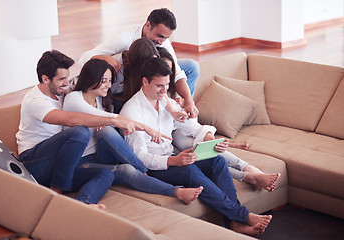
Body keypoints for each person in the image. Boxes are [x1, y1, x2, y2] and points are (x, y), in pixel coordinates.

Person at [120, 57, 272, 236]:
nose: (164, 90)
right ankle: (242, 216)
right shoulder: (132, 112)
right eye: (159, 86)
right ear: (145, 81)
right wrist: (174, 161)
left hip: (173, 157)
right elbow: (141, 157)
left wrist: (212, 140)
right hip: (155, 168)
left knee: (217, 162)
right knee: (190, 171)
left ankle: (234, 222)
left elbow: (193, 127)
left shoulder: (166, 102)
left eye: (167, 85)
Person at [16, 50, 172, 209]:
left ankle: (85, 204)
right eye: (61, 79)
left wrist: (170, 105)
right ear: (45, 79)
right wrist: (123, 122)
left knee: (106, 173)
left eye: (67, 78)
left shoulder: (62, 90)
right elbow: (71, 120)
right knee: (80, 132)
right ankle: (57, 191)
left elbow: (92, 71)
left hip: (61, 161)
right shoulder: (36, 101)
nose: (66, 83)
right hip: (36, 160)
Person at [62, 58, 203, 204]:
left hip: (101, 155)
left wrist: (171, 108)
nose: (108, 85)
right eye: (104, 81)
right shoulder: (74, 98)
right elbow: (109, 117)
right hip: (82, 160)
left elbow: (111, 120)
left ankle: (142, 170)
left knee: (107, 132)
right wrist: (145, 127)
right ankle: (165, 185)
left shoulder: (103, 101)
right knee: (124, 169)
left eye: (110, 81)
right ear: (90, 78)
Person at [157, 46, 280, 191]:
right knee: (190, 151)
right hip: (165, 137)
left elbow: (193, 126)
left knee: (193, 145)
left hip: (180, 128)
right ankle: (248, 175)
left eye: (171, 71)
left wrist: (212, 140)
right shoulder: (152, 94)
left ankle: (247, 167)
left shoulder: (174, 87)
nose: (169, 74)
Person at [79, 8, 199, 118]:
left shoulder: (162, 43)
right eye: (160, 36)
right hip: (126, 85)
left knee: (191, 66)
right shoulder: (124, 38)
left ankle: (185, 108)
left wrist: (188, 100)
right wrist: (103, 57)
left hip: (150, 76)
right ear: (148, 25)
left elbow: (177, 72)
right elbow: (84, 58)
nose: (162, 42)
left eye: (166, 38)